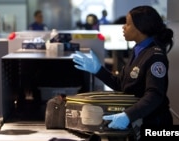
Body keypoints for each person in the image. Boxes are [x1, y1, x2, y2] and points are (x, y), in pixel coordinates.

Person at [73, 5, 173, 139]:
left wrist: (128, 115)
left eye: (128, 24)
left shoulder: (155, 56)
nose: (123, 27)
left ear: (140, 27)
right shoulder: (138, 50)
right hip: (138, 121)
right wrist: (99, 70)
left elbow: (154, 95)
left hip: (154, 124)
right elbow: (122, 85)